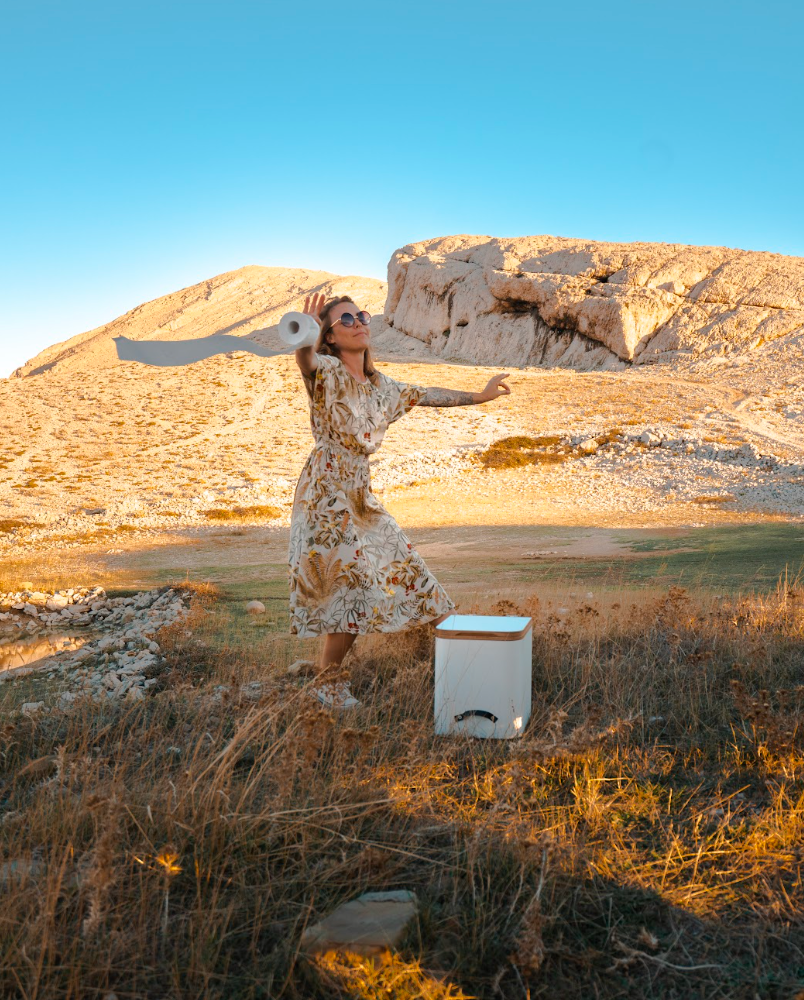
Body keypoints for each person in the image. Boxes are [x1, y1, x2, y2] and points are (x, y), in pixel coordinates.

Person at [288, 292, 512, 708]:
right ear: (331, 337)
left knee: (409, 568)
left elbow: (429, 394)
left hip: (360, 492)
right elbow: (307, 362)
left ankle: (472, 670)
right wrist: (305, 335)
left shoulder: (384, 388)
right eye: (346, 319)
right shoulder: (328, 371)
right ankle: (327, 683)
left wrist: (481, 396)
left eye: (362, 316)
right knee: (349, 584)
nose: (359, 322)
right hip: (325, 493)